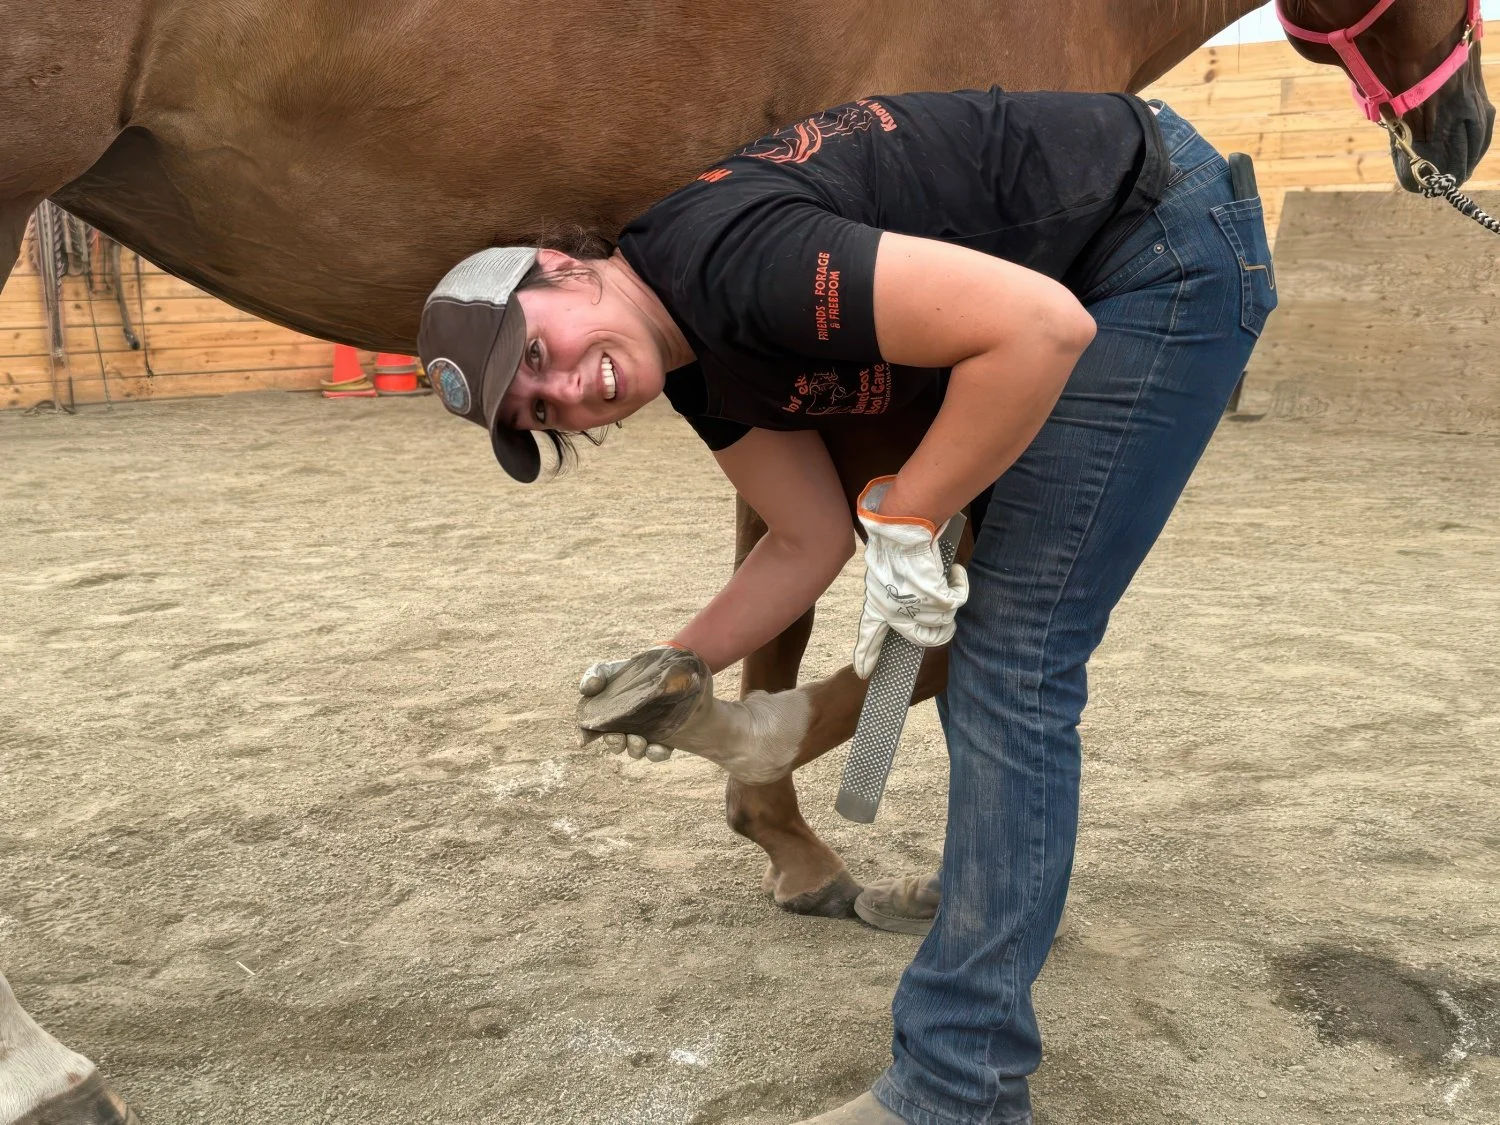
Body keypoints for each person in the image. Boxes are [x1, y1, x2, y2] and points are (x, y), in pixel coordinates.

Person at [417, 87, 1275, 1125]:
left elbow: (1037, 329)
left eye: (539, 353)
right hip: (1095, 269)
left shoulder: (734, 264)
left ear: (561, 266)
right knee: (1001, 655)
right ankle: (974, 919)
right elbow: (806, 540)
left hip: (1156, 248)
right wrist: (675, 667)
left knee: (1012, 662)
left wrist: (911, 517)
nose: (563, 394)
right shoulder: (699, 364)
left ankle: (959, 1092)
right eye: (538, 412)